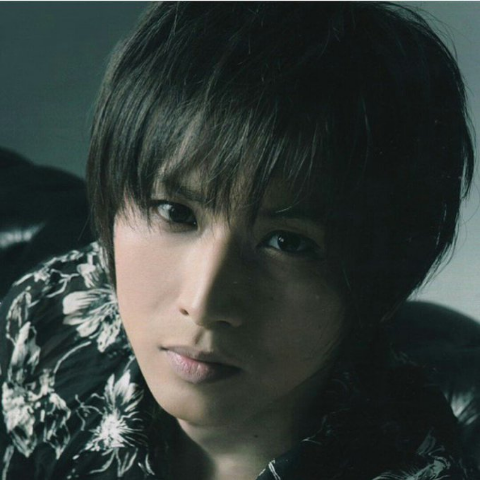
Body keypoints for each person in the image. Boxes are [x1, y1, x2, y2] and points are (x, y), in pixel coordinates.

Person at [0, 3, 478, 479]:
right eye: (176, 212)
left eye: (287, 242)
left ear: (383, 286)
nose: (203, 304)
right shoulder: (52, 316)